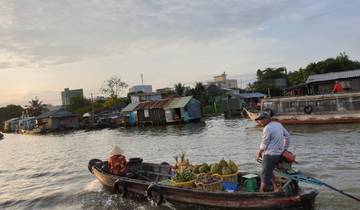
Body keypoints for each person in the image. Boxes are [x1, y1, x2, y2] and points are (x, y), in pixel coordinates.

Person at [255, 112, 290, 192]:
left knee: (264, 176)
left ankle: (261, 193)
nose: (259, 121)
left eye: (261, 119)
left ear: (266, 119)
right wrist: (284, 148)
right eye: (258, 120)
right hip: (278, 155)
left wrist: (259, 153)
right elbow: (287, 136)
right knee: (269, 171)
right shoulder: (278, 124)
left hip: (269, 155)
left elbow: (264, 143)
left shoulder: (267, 128)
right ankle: (276, 187)